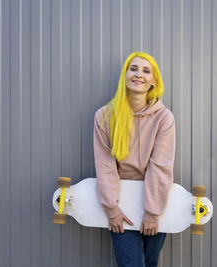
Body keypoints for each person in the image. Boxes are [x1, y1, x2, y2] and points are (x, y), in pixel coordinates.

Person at [93, 51, 175, 267]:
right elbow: (104, 166)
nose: (139, 74)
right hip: (121, 205)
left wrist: (152, 212)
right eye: (134, 69)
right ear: (125, 75)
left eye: (146, 71)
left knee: (150, 263)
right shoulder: (105, 116)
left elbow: (160, 166)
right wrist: (111, 209)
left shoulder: (163, 118)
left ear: (153, 82)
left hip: (154, 202)